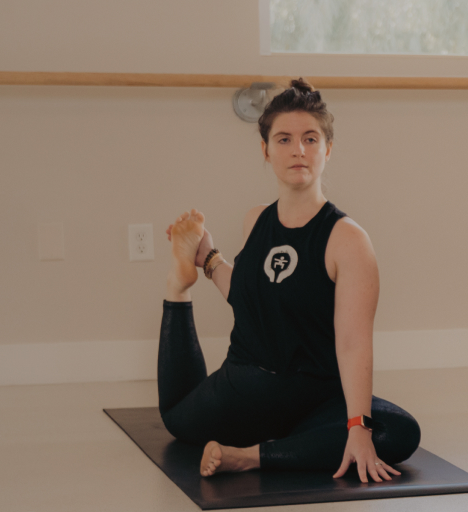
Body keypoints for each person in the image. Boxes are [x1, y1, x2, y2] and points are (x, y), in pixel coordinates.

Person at [157, 79, 420, 481]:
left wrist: (358, 427)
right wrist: (209, 261)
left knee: (399, 430)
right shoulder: (256, 220)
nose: (298, 149)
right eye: (284, 139)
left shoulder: (347, 240)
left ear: (327, 149)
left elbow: (353, 343)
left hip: (314, 398)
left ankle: (247, 456)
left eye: (310, 138)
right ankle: (178, 288)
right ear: (265, 150)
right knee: (177, 417)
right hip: (244, 389)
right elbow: (255, 301)